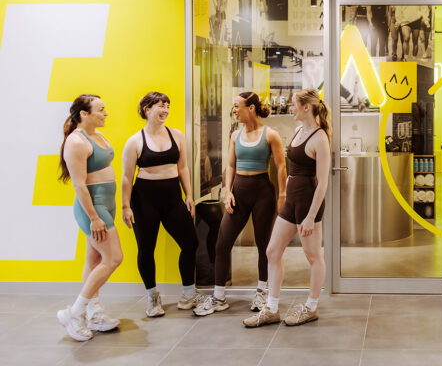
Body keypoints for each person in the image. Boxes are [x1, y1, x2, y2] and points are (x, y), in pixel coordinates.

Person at [194, 92, 287, 316]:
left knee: (263, 244)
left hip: (263, 193)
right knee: (222, 243)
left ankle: (262, 290)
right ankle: (218, 296)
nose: (234, 110)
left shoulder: (270, 135)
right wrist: (228, 191)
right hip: (239, 192)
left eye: (237, 106)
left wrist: (282, 196)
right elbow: (231, 166)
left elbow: (281, 167)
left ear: (251, 108)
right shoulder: (235, 135)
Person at [243, 88, 330, 328]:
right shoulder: (299, 130)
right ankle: (271, 309)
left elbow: (323, 183)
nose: (291, 108)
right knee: (272, 251)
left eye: (294, 104)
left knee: (313, 256)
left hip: (308, 203)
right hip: (292, 201)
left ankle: (311, 307)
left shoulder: (320, 138)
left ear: (306, 107)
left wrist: (310, 217)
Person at [121, 92, 203, 317]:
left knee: (190, 243)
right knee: (146, 249)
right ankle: (153, 297)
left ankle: (188, 294)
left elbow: (183, 167)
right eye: (160, 105)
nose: (166, 110)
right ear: (147, 109)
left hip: (172, 198)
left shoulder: (177, 135)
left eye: (167, 105)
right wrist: (126, 206)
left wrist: (189, 195)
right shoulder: (135, 141)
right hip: (144, 199)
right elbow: (127, 177)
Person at [57, 94, 122, 341]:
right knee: (113, 258)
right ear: (84, 114)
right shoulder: (76, 142)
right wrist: (94, 218)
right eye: (101, 109)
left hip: (106, 204)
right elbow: (79, 185)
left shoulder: (96, 135)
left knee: (94, 260)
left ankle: (94, 313)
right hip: (93, 208)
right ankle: (74, 313)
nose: (106, 113)